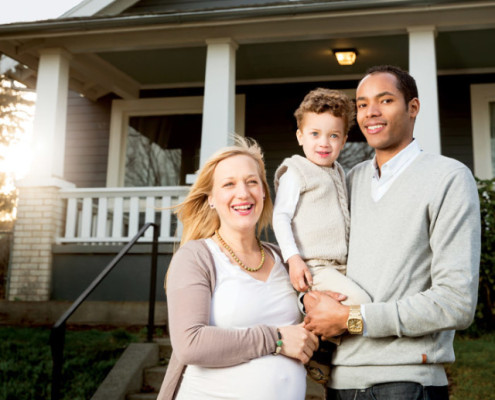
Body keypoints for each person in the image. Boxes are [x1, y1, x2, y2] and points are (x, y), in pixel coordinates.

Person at [304, 65, 481, 400]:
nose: (371, 112)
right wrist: (308, 299)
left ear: (412, 108)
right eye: (362, 104)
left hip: (406, 383)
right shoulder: (347, 181)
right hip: (339, 383)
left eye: (385, 100)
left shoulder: (448, 178)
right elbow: (318, 256)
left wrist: (352, 319)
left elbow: (455, 303)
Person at [157, 136, 319, 400]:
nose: (243, 193)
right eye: (229, 184)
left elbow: (304, 333)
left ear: (264, 191)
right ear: (211, 198)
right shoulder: (197, 257)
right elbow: (190, 344)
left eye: (252, 182)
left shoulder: (285, 259)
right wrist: (275, 338)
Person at [272, 88, 371, 384]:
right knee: (360, 305)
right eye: (314, 134)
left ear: (344, 139)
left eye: (333, 136)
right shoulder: (296, 171)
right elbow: (281, 216)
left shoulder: (339, 171)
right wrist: (293, 258)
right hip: (314, 266)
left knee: (349, 308)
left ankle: (324, 348)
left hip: (339, 265)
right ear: (300, 135)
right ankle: (317, 348)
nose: (323, 143)